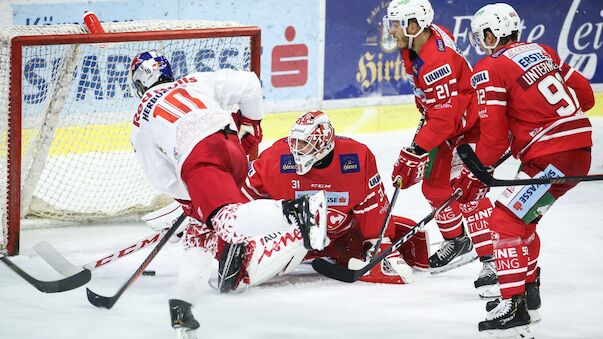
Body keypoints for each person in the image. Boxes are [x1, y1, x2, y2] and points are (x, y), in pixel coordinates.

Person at [129, 50, 329, 338]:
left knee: (226, 223)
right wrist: (252, 123)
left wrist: (189, 199)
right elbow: (250, 83)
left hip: (199, 158)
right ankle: (183, 305)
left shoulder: (140, 118)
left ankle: (299, 211)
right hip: (232, 147)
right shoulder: (194, 81)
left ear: (139, 82)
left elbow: (159, 176)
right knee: (200, 233)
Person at [454, 3, 595, 336]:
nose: (480, 42)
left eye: (481, 36)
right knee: (523, 217)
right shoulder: (543, 51)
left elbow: (492, 136)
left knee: (505, 220)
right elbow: (586, 97)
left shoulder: (489, 66)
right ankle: (528, 289)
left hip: (552, 157)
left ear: (491, 34)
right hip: (578, 151)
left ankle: (514, 304)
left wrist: (475, 173)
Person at [384, 0, 498, 296]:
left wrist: (417, 150)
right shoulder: (417, 43)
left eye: (396, 24)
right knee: (434, 188)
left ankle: (492, 259)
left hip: (471, 126)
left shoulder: (436, 62)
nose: (391, 30)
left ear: (414, 26)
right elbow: (439, 111)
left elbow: (445, 119)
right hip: (447, 121)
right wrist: (421, 141)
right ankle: (458, 241)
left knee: (469, 191)